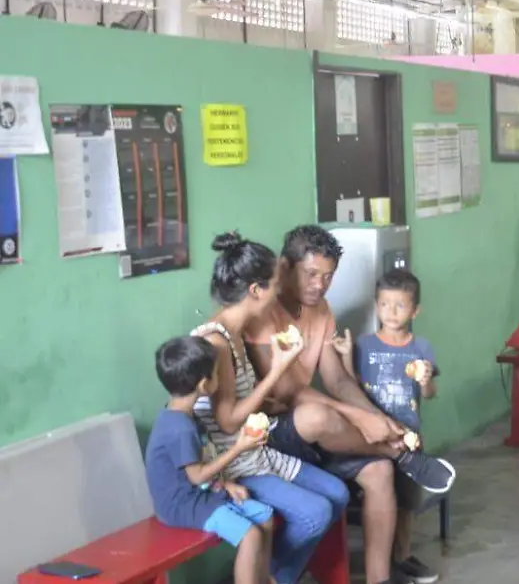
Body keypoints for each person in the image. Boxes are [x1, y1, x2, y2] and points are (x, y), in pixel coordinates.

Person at [244, 226, 455, 584]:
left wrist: (377, 417)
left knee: (378, 472)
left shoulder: (321, 309)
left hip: (315, 434)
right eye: (311, 274)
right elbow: (287, 391)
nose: (320, 285)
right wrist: (360, 417)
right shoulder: (264, 312)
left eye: (328, 276)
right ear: (284, 266)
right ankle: (397, 453)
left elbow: (338, 380)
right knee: (317, 416)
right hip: (271, 433)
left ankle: (378, 579)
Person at [193, 232, 350, 584]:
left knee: (338, 494)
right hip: (232, 462)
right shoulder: (217, 341)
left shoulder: (234, 333)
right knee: (314, 514)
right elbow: (228, 423)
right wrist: (278, 370)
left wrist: (269, 399)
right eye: (275, 285)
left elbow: (240, 404)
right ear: (255, 291)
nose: (278, 293)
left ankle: (271, 576)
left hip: (256, 452)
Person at [146, 335, 275, 584]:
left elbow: (195, 469)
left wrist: (224, 484)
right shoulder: (180, 428)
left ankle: (263, 579)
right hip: (181, 505)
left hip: (199, 493)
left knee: (265, 517)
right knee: (250, 535)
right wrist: (239, 447)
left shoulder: (183, 415)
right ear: (205, 384)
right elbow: (196, 476)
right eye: (217, 373)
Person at [341, 269, 441, 578]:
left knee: (407, 501)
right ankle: (380, 561)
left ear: (415, 311)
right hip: (372, 436)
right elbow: (350, 384)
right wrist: (344, 356)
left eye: (400, 305)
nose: (391, 312)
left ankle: (403, 555)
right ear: (377, 305)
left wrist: (425, 380)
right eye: (384, 304)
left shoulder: (420, 348)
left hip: (409, 437)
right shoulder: (365, 345)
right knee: (380, 495)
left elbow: (430, 393)